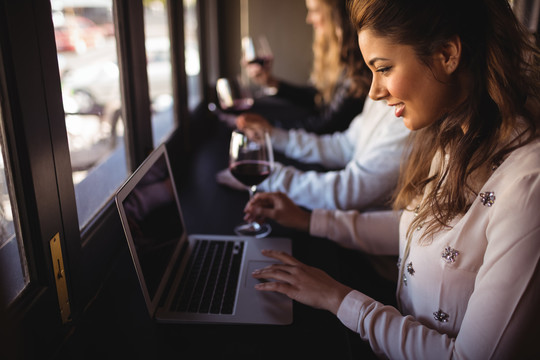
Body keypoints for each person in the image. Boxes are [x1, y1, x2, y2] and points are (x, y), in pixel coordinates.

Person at [244, 0, 540, 358]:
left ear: (447, 54)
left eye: (383, 68)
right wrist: (310, 220)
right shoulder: (456, 133)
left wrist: (337, 299)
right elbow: (415, 226)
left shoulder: (528, 184)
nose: (373, 91)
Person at [217, 96, 409, 211]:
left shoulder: (410, 117)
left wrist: (270, 178)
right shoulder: (382, 96)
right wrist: (273, 136)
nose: (373, 92)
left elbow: (349, 191)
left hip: (370, 253)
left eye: (384, 68)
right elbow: (344, 146)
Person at [246, 0, 370, 134]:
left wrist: (270, 129)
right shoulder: (330, 50)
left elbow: (326, 124)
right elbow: (317, 96)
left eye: (315, 10)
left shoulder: (355, 59)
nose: (308, 19)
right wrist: (271, 82)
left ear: (336, 14)